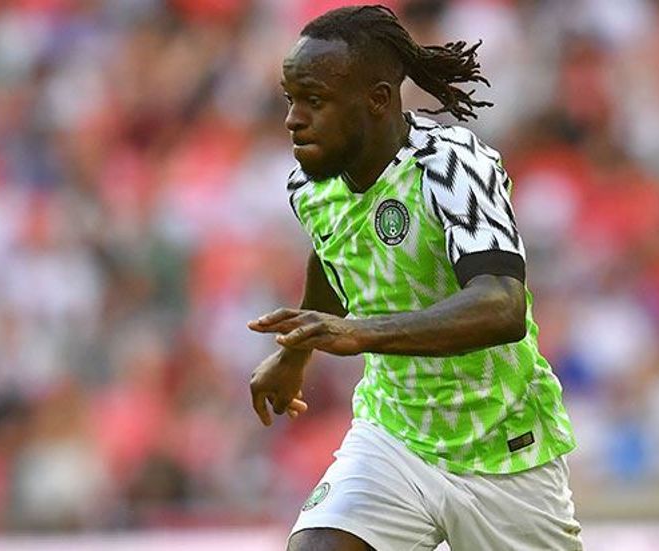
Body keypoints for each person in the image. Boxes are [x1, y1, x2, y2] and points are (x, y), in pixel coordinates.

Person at [248, 5, 582, 550]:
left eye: (315, 101)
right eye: (290, 99)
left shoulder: (453, 166)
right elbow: (333, 250)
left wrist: (360, 333)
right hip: (394, 439)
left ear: (378, 100)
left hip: (504, 449)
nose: (293, 119)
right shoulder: (311, 186)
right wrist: (294, 355)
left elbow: (502, 307)